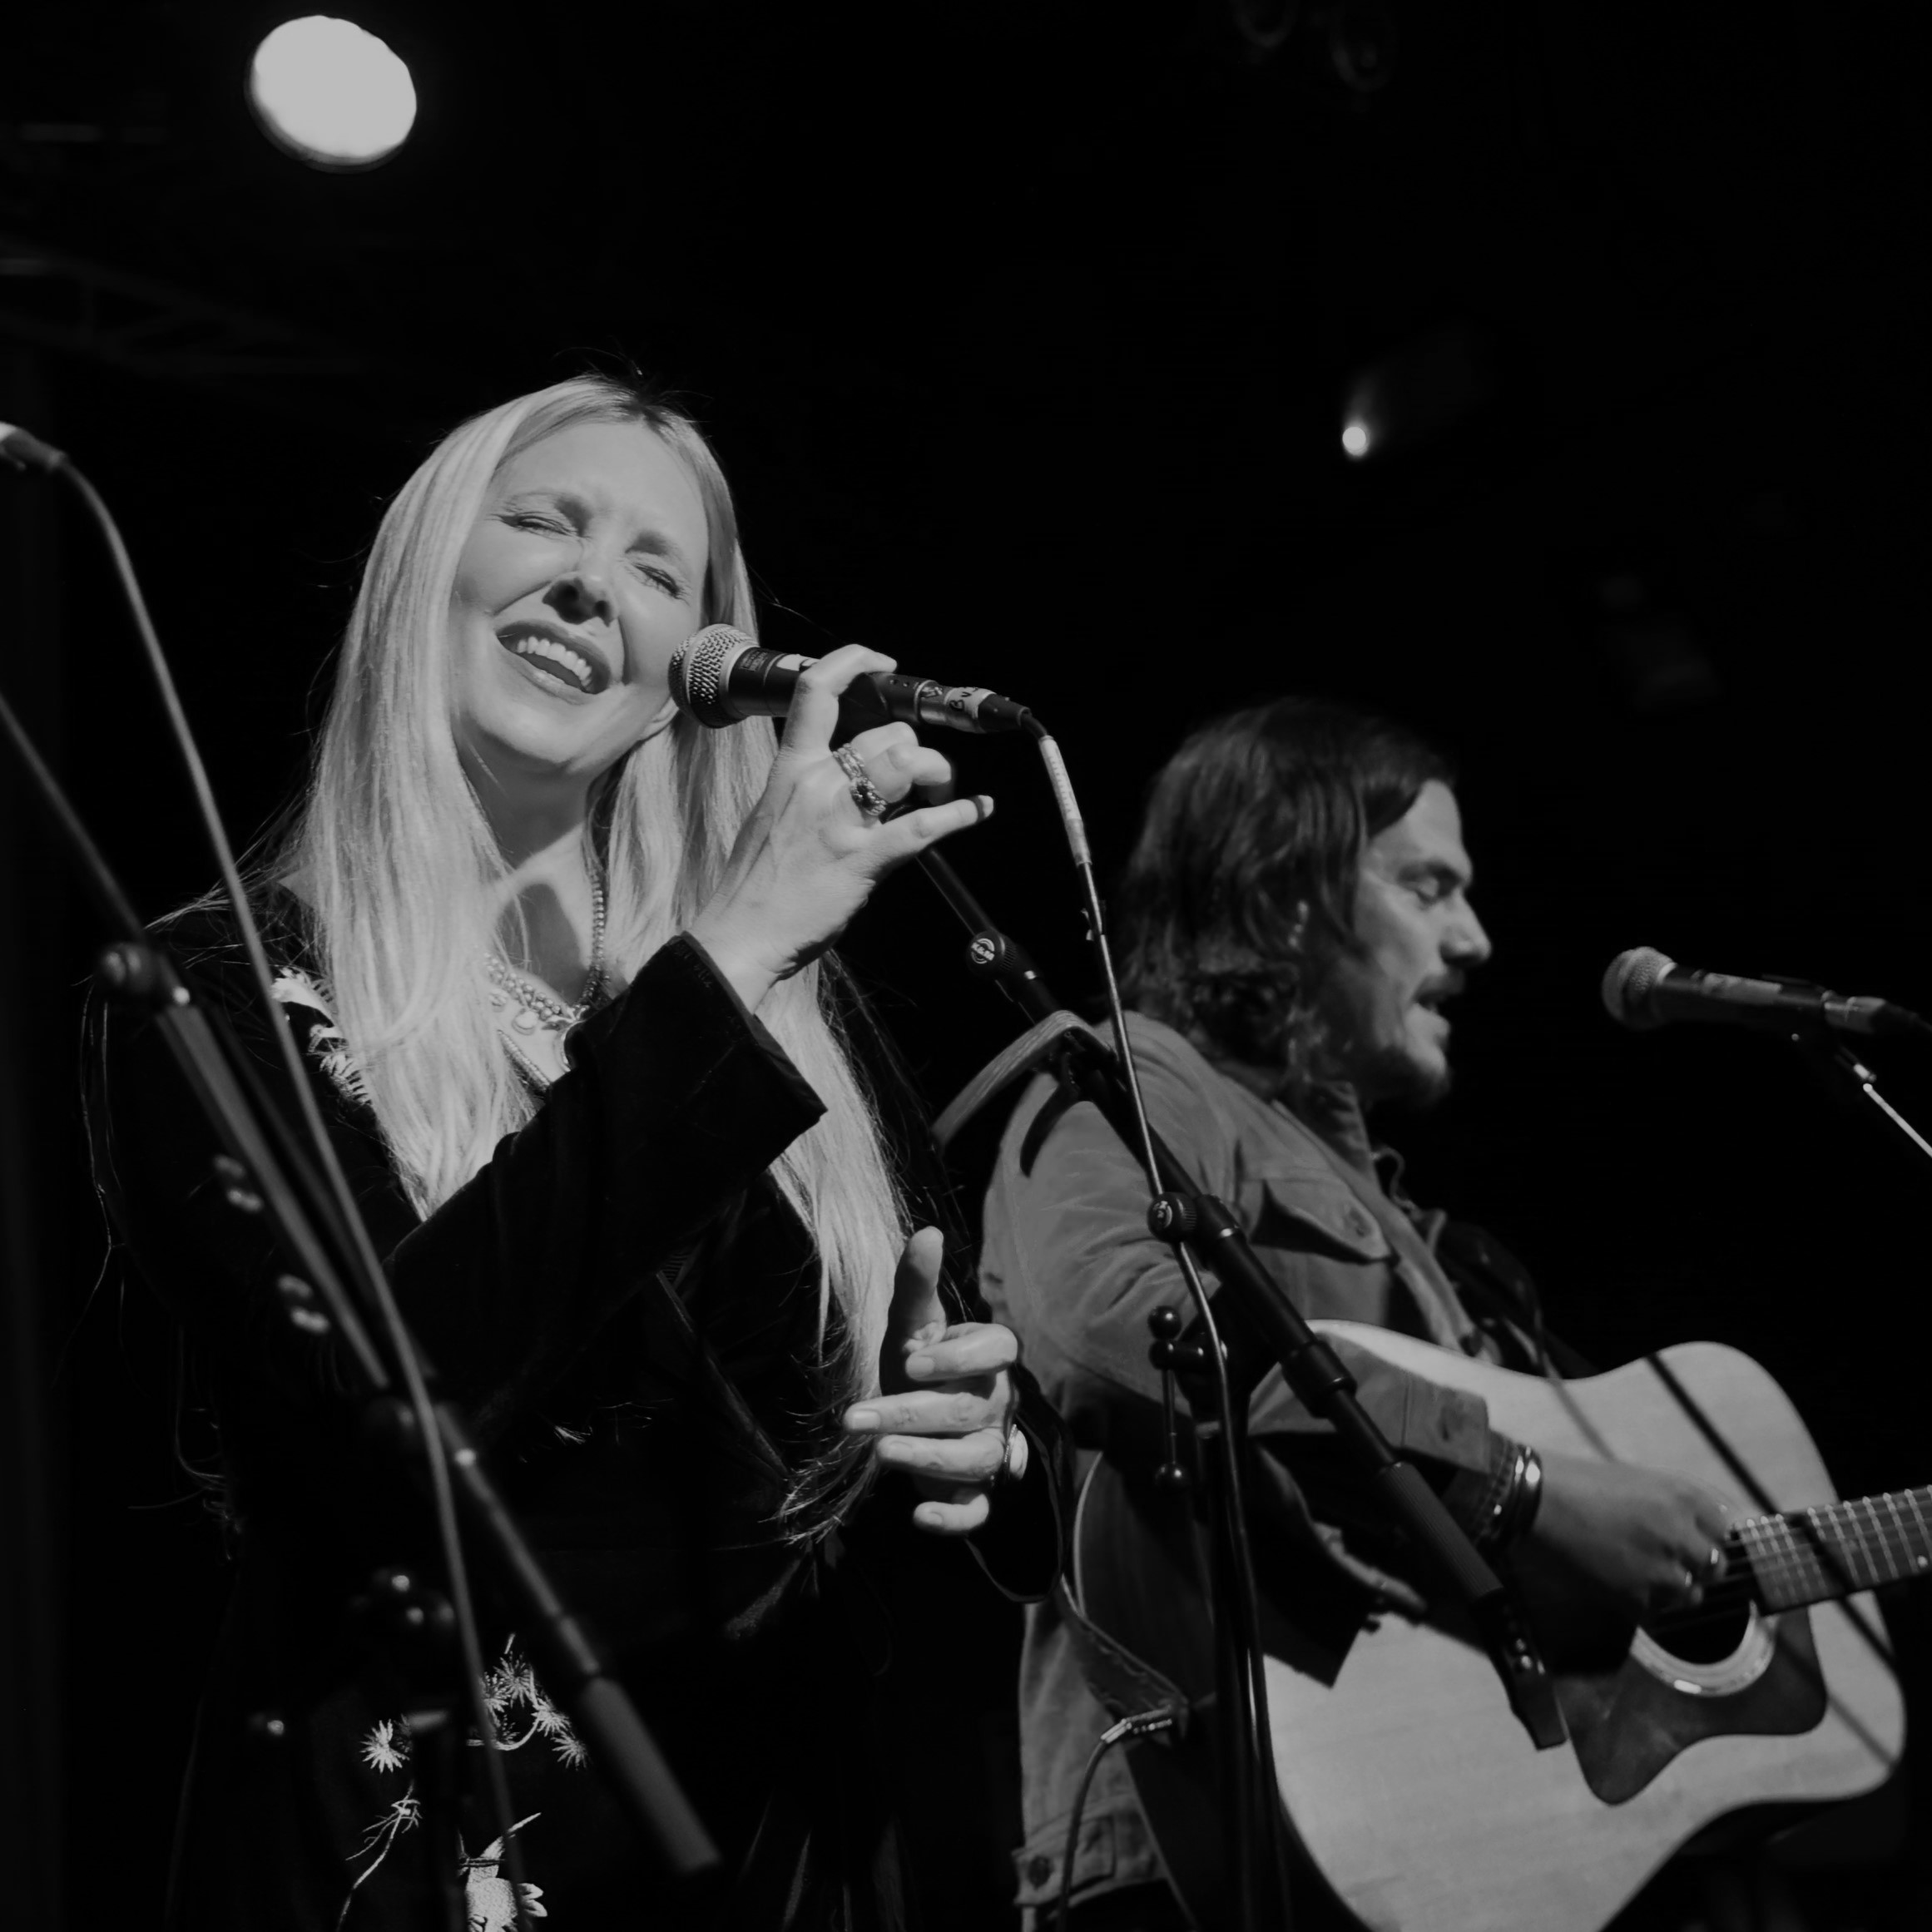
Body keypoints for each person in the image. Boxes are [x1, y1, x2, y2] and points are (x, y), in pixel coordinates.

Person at [87, 374, 1063, 1930]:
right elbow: (382, 1402)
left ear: (697, 677)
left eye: (657, 570)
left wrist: (972, 1450)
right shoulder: (221, 990)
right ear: (429, 567)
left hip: (781, 1859)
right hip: (445, 1851)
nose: (592, 586)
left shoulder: (790, 1015)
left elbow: (928, 1525)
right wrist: (727, 958)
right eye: (546, 521)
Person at [978, 699, 1743, 1930]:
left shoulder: (1413, 1229)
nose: (1475, 939)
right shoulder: (1145, 1083)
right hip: (1218, 1845)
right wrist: (1517, 1489)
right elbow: (1114, 1332)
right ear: (1284, 894)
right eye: (1427, 885)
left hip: (1438, 1838)